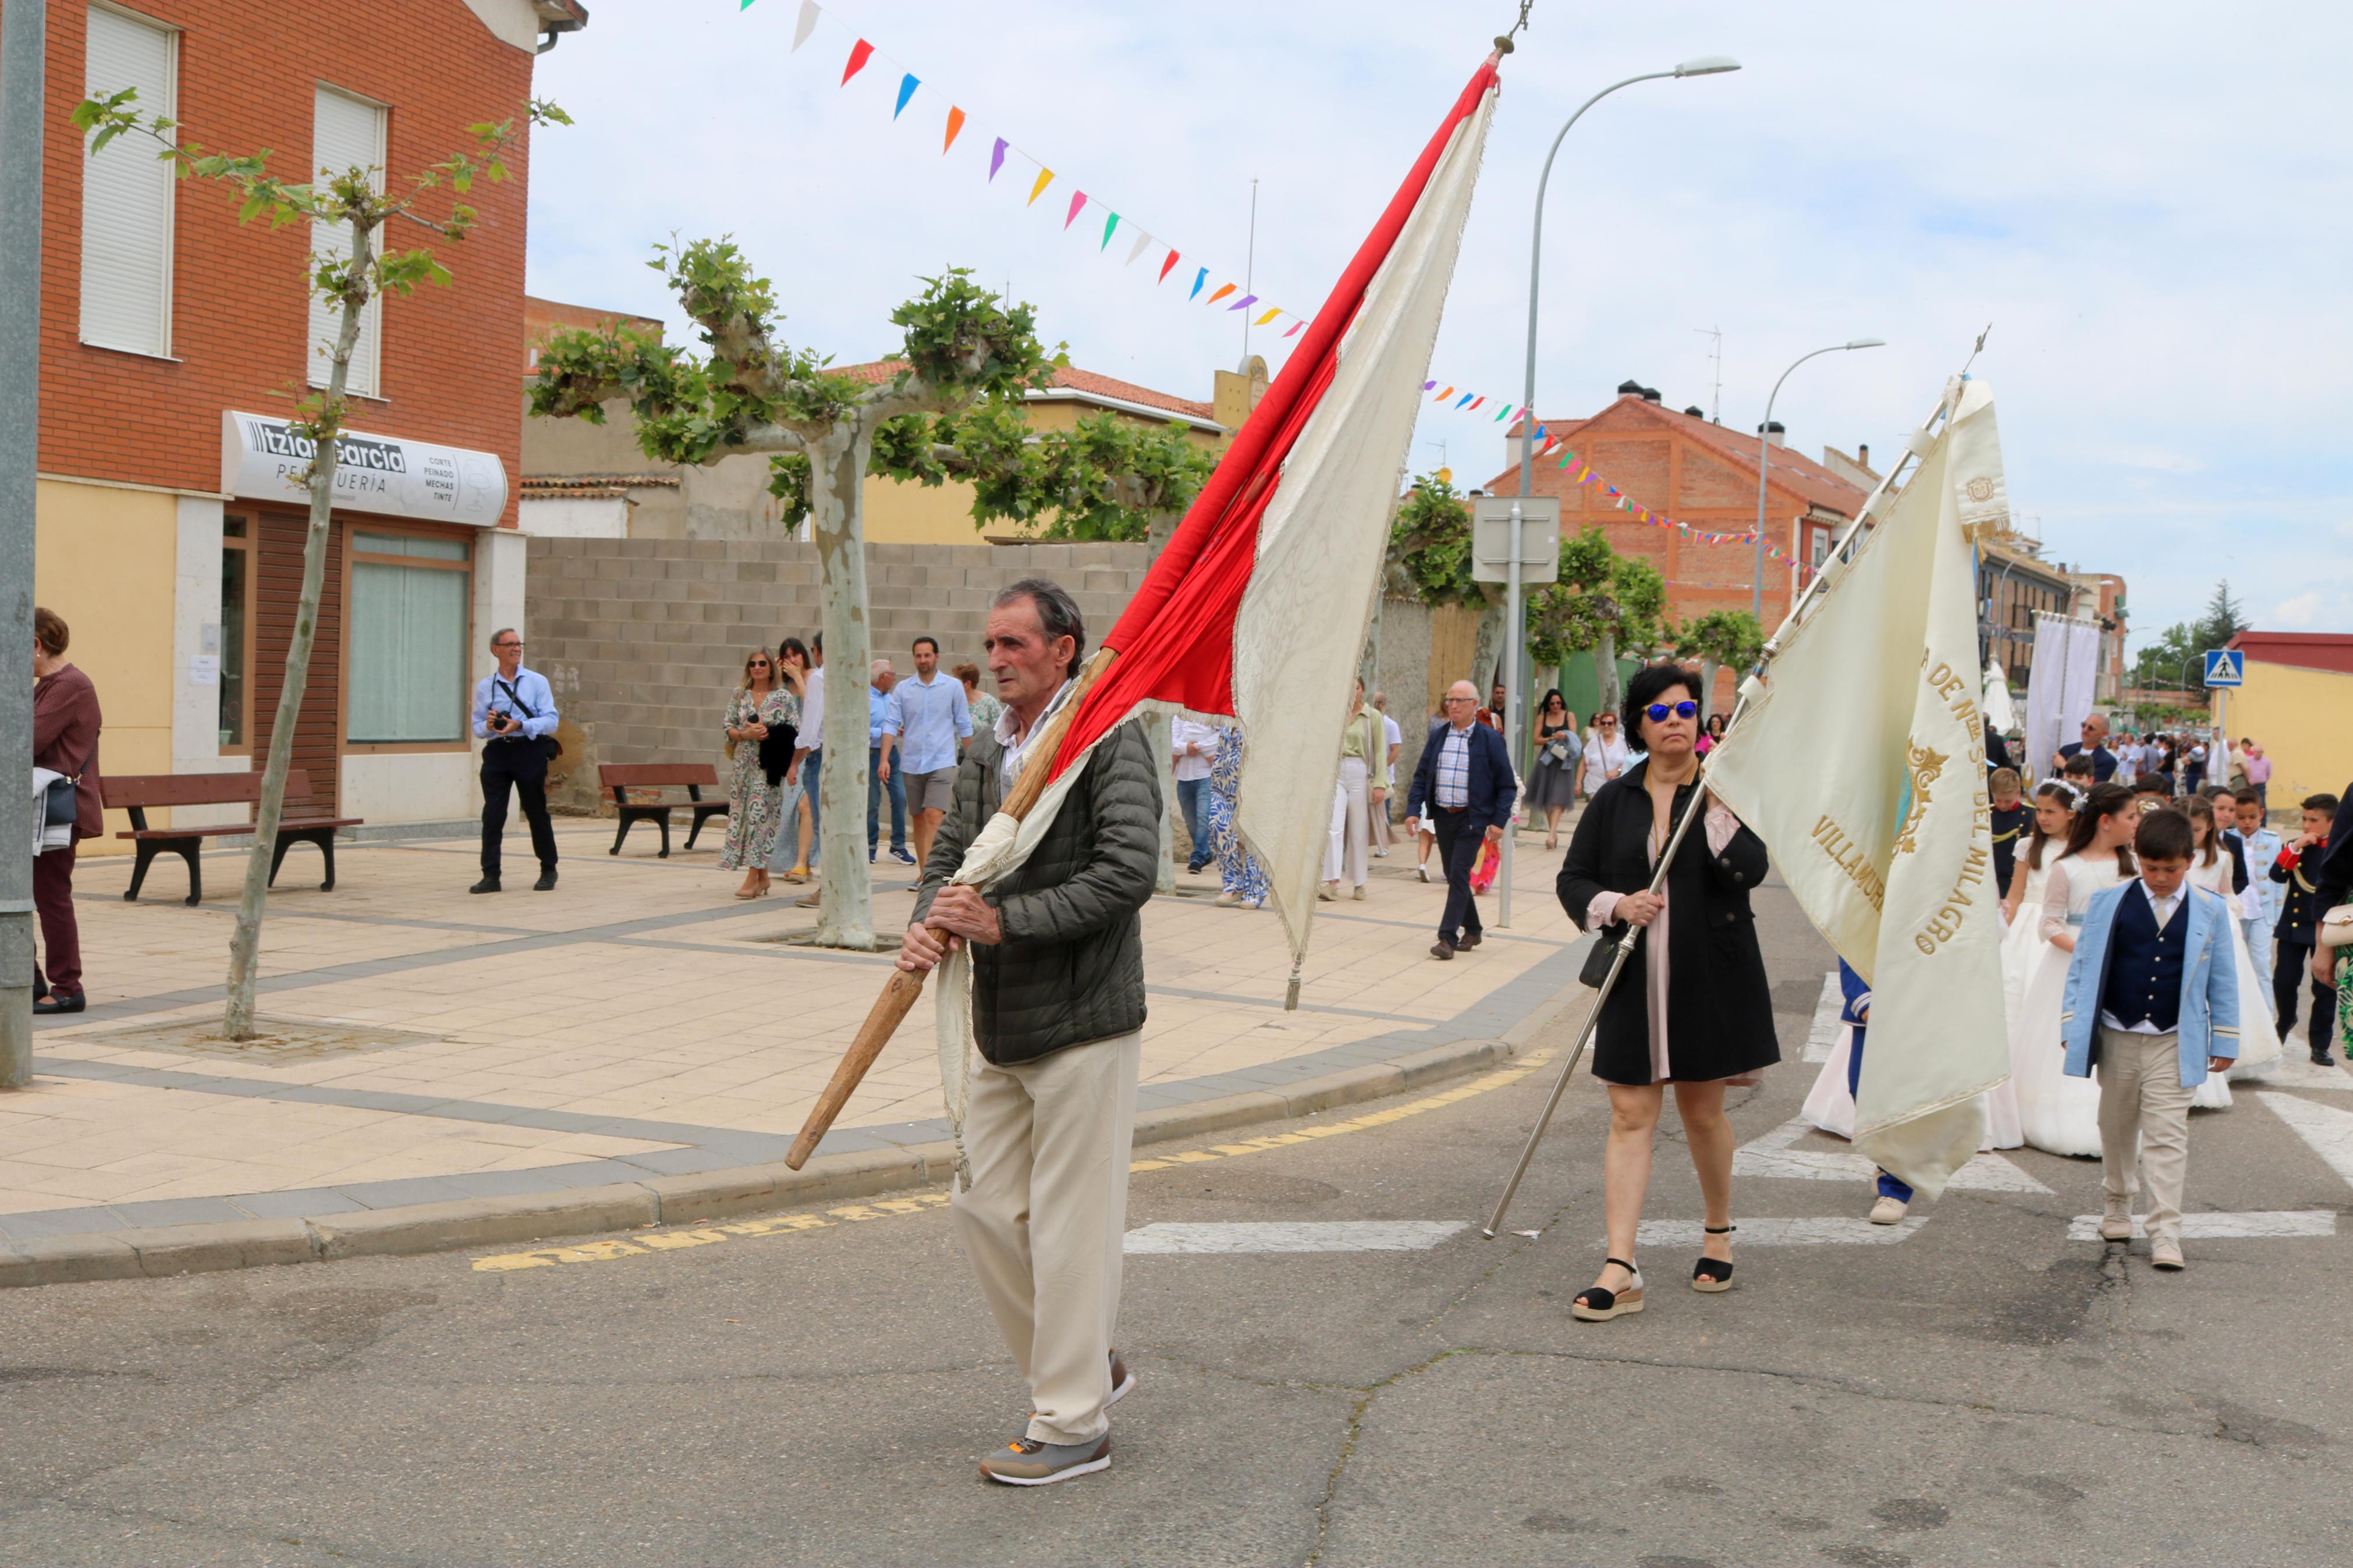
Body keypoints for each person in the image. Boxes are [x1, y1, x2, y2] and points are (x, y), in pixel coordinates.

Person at [899, 577, 1159, 1487]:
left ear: (1063, 648)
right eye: (992, 645)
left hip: (1084, 1019)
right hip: (1000, 1021)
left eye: (1015, 645)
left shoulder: (1107, 738)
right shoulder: (986, 745)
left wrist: (1004, 922)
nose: (998, 660)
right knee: (980, 1205)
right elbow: (951, 852)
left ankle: (1073, 1421)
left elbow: (1127, 871)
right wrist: (928, 918)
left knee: (1068, 1228)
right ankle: (1087, 1366)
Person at [1556, 665, 1778, 1321]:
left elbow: (1749, 869)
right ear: (1638, 726)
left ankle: (1717, 1231)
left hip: (1708, 974)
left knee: (1702, 1112)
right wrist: (1615, 902)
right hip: (1634, 976)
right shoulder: (1613, 799)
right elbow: (1573, 880)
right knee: (1629, 1113)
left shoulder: (1720, 789)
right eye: (1658, 713)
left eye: (1685, 710)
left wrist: (1713, 808)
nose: (1674, 720)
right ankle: (1619, 1266)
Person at [2061, 806, 2240, 1271]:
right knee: (2116, 1127)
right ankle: (2117, 1202)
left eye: (2171, 868)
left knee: (2167, 1136)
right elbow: (2081, 969)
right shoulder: (2108, 903)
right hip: (2117, 1033)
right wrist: (2071, 1027)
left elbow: (2222, 978)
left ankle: (2165, 1231)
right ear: (2136, 856)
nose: (2160, 877)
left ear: (2191, 859)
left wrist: (2224, 1037)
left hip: (2173, 1037)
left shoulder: (2211, 909)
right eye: (2150, 866)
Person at [2011, 781, 2138, 1155]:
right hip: (2072, 964)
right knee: (2069, 1034)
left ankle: (2116, 1120)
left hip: (2121, 962)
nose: (2135, 824)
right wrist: (2086, 948)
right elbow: (2049, 923)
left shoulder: (2130, 864)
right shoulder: (2065, 868)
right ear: (2104, 821)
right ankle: (2063, 1115)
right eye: (2130, 817)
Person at [1404, 680, 1515, 961]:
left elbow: (1506, 785)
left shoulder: (1490, 740)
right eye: (1450, 700)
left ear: (1474, 705)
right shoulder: (1439, 736)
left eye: (1459, 701)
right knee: (1455, 874)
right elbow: (1422, 775)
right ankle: (1474, 928)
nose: (1452, 705)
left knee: (1458, 872)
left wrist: (1499, 821)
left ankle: (1447, 937)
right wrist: (1413, 810)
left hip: (1472, 817)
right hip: (1443, 815)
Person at [30, 607, 101, 1015]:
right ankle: (29, 977)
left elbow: (29, 739)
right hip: (36, 810)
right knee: (21, 895)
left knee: (51, 896)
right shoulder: (48, 685)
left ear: (36, 644)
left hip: (56, 810)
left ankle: (67, 987)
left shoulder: (69, 685)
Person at [2184, 792, 2280, 1078]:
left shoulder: (2224, 856)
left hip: (2215, 923)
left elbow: (2227, 890)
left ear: (2209, 828)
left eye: (2197, 829)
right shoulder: (2175, 854)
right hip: (2184, 924)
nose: (2191, 835)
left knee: (2226, 986)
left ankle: (2230, 1050)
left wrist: (2230, 911)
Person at [471, 628, 559, 894]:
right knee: (493, 815)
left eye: (518, 644)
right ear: (495, 649)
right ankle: (491, 875)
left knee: (535, 812)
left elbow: (552, 721)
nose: (516, 649)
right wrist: (489, 725)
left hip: (528, 751)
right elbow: (477, 727)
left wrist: (521, 724)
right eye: (510, 645)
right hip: (498, 753)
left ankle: (548, 869)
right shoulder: (487, 686)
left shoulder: (536, 681)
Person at [719, 647, 801, 899]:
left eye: (762, 663)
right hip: (743, 767)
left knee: (759, 817)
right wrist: (746, 735)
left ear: (770, 668)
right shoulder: (740, 695)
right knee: (746, 816)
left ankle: (752, 877)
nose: (757, 667)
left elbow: (796, 729)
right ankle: (763, 877)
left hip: (769, 767)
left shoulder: (783, 697)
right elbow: (727, 727)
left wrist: (771, 733)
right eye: (753, 664)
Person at [895, 635, 973, 870]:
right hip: (911, 762)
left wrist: (970, 760)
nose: (923, 660)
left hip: (941, 761)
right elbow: (891, 724)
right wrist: (885, 760)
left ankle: (935, 873)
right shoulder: (904, 689)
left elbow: (964, 724)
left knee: (934, 816)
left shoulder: (952, 687)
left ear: (936, 657)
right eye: (918, 656)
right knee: (918, 819)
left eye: (927, 655)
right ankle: (923, 873)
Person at [2272, 794, 2339, 1062]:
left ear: (2332, 823)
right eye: (2304, 819)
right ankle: (2287, 1019)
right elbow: (2277, 876)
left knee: (2324, 987)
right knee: (2284, 982)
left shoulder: (2339, 850)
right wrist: (2297, 846)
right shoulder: (2296, 847)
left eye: (2314, 820)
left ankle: (2320, 1044)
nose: (2307, 825)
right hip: (2294, 924)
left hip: (2327, 927)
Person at [1323, 679, 1380, 902]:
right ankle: (1332, 883)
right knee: (1333, 828)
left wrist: (1380, 784)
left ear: (1362, 691)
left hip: (1361, 771)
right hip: (1337, 772)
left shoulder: (1371, 716)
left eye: (1356, 687)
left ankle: (1359, 883)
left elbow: (1381, 752)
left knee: (1358, 831)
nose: (1352, 692)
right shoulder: (1335, 715)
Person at [767, 638, 815, 886]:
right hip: (792, 757)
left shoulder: (814, 678)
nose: (792, 660)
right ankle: (802, 863)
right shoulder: (783, 687)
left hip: (814, 754)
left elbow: (812, 710)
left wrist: (798, 677)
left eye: (796, 654)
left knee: (806, 808)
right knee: (790, 813)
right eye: (787, 656)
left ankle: (800, 864)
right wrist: (774, 674)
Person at [1206, 720, 1267, 909]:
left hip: (1254, 789)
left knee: (1253, 838)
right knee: (1217, 827)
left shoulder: (1264, 718)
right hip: (1221, 788)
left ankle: (1254, 891)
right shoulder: (1227, 720)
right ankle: (1233, 885)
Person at [2233, 788, 2283, 1004]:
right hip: (2236, 911)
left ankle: (2267, 1016)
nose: (2247, 822)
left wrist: (2276, 916)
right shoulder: (2225, 839)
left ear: (2261, 814)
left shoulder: (2273, 840)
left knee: (2261, 964)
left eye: (2252, 817)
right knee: (2234, 965)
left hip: (2262, 912)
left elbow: (2278, 882)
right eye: (2241, 817)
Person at [792, 632, 828, 909]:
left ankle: (828, 889)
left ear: (817, 651)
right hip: (849, 758)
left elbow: (810, 728)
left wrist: (795, 762)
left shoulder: (819, 678)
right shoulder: (855, 678)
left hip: (821, 756)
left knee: (823, 826)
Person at [867, 659, 912, 867]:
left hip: (892, 753)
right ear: (883, 677)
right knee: (873, 802)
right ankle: (869, 846)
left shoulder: (892, 698)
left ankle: (898, 846)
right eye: (892, 674)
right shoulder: (865, 698)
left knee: (900, 797)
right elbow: (861, 728)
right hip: (871, 752)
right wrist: (884, 732)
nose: (894, 678)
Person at [1525, 689, 1580, 851]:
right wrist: (1551, 738)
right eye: (1552, 703)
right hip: (1547, 760)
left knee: (1557, 798)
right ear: (1548, 704)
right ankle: (1553, 832)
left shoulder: (1569, 716)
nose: (1556, 706)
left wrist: (1565, 737)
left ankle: (1551, 834)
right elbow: (1535, 740)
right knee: (1548, 799)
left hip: (1564, 761)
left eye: (1558, 703)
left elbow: (1574, 738)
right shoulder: (1543, 717)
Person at [1170, 714, 1220, 875]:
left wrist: (1197, 745)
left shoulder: (1211, 713)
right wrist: (1186, 748)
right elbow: (1173, 744)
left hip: (1205, 775)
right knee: (1190, 820)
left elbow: (1219, 736)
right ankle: (1205, 853)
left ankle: (1198, 857)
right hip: (1183, 777)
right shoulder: (1179, 715)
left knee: (1204, 816)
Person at [1369, 691, 1402, 856]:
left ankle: (1384, 846)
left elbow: (1395, 751)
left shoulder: (1390, 725)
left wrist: (1381, 769)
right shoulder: (1368, 722)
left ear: (1382, 704)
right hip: (1367, 776)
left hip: (1385, 777)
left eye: (1374, 702)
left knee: (1384, 811)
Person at [1988, 768, 2028, 900]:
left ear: (2018, 792)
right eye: (1998, 800)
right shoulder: (1985, 815)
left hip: (2015, 883)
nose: (2003, 805)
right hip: (1991, 881)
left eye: (2008, 801)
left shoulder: (2030, 815)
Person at [1580, 707, 1630, 798]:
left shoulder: (1623, 741)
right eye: (1603, 723)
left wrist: (1618, 770)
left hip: (1617, 786)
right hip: (1594, 785)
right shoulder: (1593, 742)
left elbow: (1630, 761)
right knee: (1597, 811)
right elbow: (1584, 763)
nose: (1606, 726)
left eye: (1610, 723)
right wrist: (1578, 783)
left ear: (1614, 725)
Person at [2055, 714, 2118, 783]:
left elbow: (2093, 786)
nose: (2085, 730)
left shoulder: (2107, 761)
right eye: (2084, 725)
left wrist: (2065, 766)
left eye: (2091, 728)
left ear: (2104, 734)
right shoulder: (2067, 750)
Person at [954, 660, 1003, 738]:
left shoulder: (989, 703)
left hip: (981, 750)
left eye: (956, 682)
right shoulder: (954, 704)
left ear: (967, 684)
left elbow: (1001, 730)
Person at [2244, 742, 2272, 810]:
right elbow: (2245, 771)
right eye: (2255, 752)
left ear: (2262, 753)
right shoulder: (2248, 760)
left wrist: (2262, 781)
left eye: (2259, 752)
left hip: (2261, 786)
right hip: (2250, 785)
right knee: (2249, 803)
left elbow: (2269, 774)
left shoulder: (2267, 762)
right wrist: (2249, 780)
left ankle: (2263, 820)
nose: (2256, 754)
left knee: (2262, 804)